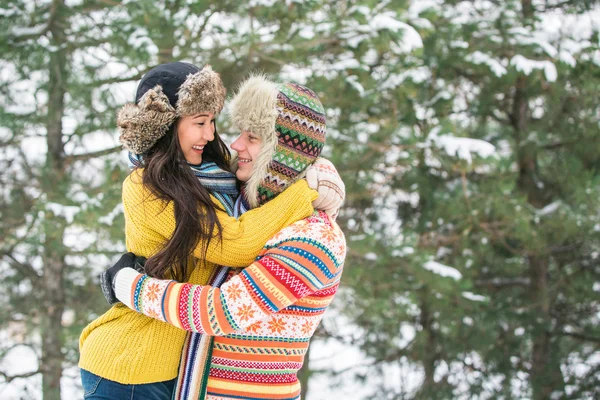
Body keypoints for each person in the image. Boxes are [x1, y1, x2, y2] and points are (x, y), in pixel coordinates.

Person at [78, 62, 343, 399]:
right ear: (166, 127)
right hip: (131, 365)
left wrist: (319, 171)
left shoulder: (214, 179)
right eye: (199, 123)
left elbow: (290, 156)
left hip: (175, 370)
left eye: (213, 122)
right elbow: (236, 242)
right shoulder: (146, 186)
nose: (215, 136)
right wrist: (306, 190)